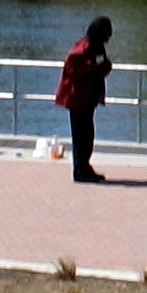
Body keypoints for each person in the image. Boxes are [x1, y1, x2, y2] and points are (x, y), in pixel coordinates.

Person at [55, 15, 113, 182]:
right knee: (81, 136)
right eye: (107, 33)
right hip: (78, 98)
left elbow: (102, 66)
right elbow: (73, 67)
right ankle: (80, 171)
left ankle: (85, 166)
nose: (109, 37)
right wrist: (93, 66)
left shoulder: (98, 47)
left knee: (88, 135)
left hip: (89, 100)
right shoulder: (83, 47)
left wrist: (105, 67)